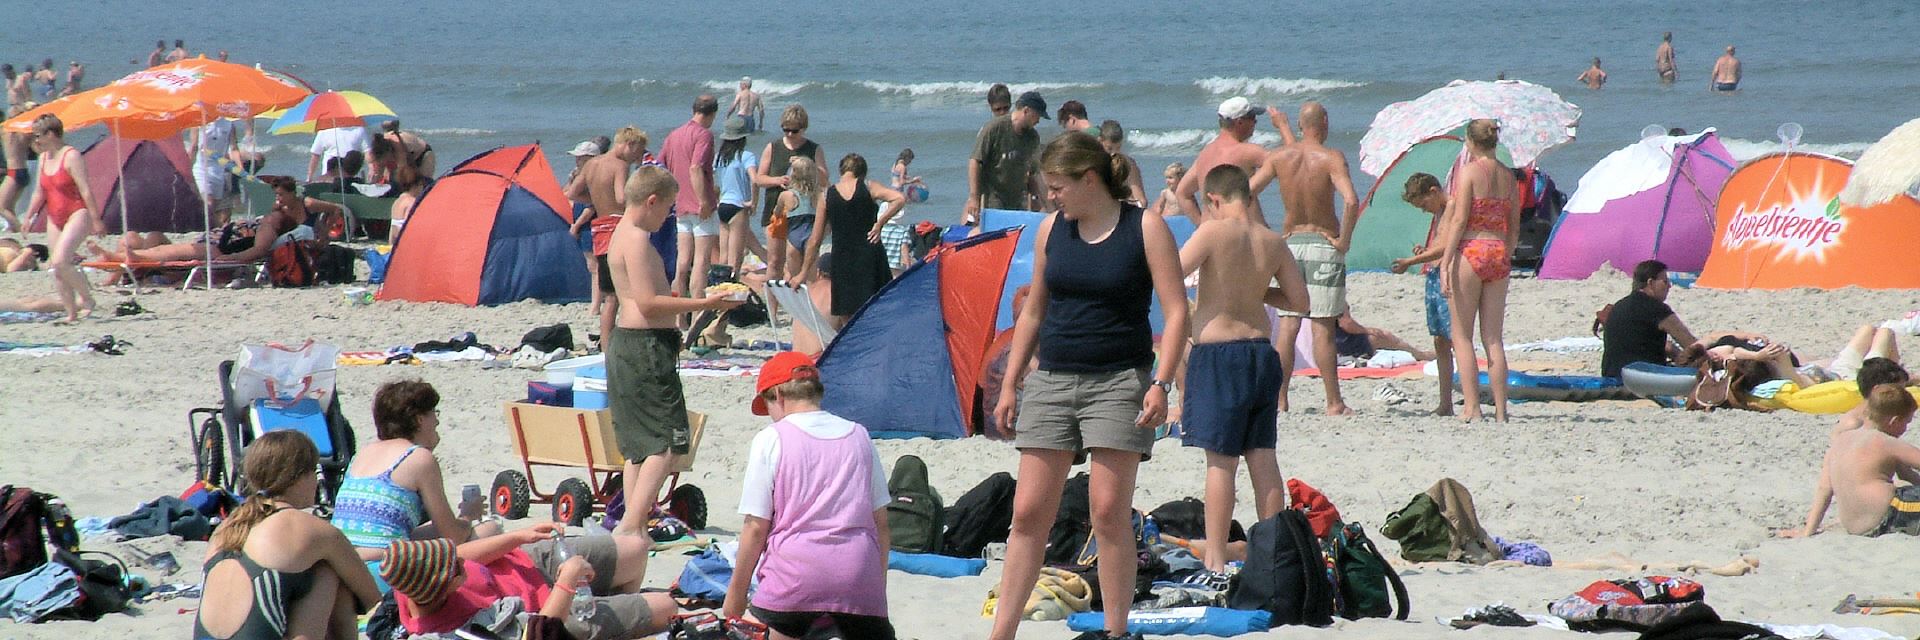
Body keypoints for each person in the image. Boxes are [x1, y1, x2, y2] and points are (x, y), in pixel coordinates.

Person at [988, 132, 1189, 640]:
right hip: (1052, 378)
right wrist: (1011, 382)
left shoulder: (1144, 227)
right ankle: (1001, 633)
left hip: (1120, 381)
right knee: (1029, 512)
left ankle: (1116, 631)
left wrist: (1162, 383)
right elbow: (1034, 308)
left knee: (1107, 511)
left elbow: (1176, 310)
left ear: (1090, 179)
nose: (1049, 196)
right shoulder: (1052, 229)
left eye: (1057, 187)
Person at [1176, 164, 1306, 572]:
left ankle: (1215, 556)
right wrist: (1254, 288)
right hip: (1261, 354)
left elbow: (1171, 271)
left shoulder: (1213, 232)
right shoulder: (1272, 241)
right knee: (1263, 457)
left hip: (1220, 356)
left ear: (1213, 199)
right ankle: (1271, 551)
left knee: (1221, 462)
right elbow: (1299, 300)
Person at [605, 166, 743, 539]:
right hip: (643, 347)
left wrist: (680, 304)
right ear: (651, 201)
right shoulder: (635, 239)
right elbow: (648, 304)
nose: (668, 216)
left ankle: (634, 522)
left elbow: (639, 298)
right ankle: (632, 525)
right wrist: (705, 302)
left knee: (639, 446)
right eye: (667, 208)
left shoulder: (622, 232)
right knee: (666, 444)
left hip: (632, 344)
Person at [722, 351, 897, 640]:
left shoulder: (772, 438)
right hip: (858, 577)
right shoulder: (859, 435)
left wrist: (735, 597)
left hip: (795, 579)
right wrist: (875, 590)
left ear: (778, 395)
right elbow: (881, 525)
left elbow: (755, 528)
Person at [194, 431, 380, 640]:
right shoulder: (310, 528)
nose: (316, 482)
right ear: (298, 477)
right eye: (313, 472)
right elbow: (371, 597)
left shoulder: (227, 525)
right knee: (327, 571)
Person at [1250, 101, 1359, 415]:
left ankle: (1281, 399)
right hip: (1323, 243)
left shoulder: (1279, 158)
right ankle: (1333, 402)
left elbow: (1245, 192)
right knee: (1322, 327)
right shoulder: (1331, 158)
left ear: (1300, 124)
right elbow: (1351, 201)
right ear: (1324, 121)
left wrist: (1264, 231)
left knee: (1288, 325)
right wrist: (1344, 241)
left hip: (1290, 243)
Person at [329, 379, 489, 588]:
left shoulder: (362, 455)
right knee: (488, 531)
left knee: (429, 529)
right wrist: (468, 515)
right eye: (434, 414)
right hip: (383, 570)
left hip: (342, 566)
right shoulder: (418, 458)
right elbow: (453, 536)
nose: (437, 422)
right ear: (419, 419)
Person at [383, 526, 676, 639]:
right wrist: (567, 582)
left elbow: (460, 555)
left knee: (636, 549)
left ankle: (619, 609)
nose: (464, 565)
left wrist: (518, 537)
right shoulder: (456, 631)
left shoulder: (410, 578)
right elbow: (537, 633)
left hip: (528, 563)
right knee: (667, 607)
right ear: (444, 587)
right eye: (457, 569)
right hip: (549, 614)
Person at [1434, 119, 1519, 422]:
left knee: (1462, 336)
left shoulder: (1468, 172)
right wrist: (1506, 254)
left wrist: (1445, 261)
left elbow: (1459, 220)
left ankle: (1472, 407)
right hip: (1497, 250)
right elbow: (1514, 225)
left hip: (1470, 249)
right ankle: (1500, 410)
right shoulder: (1509, 177)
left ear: (1470, 142)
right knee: (1493, 338)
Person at [87, 175, 339, 266]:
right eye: (276, 197)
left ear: (292, 195)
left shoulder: (275, 221)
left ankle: (124, 257)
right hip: (219, 238)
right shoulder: (275, 217)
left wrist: (225, 260)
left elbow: (258, 249)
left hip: (219, 247)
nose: (278, 201)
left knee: (167, 249)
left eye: (281, 196)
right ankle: (123, 258)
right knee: (154, 237)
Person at [1783, 384, 1920, 538]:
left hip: (1857, 527)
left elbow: (1824, 490)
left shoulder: (1840, 441)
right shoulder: (1884, 441)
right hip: (1888, 516)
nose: (1905, 428)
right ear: (1894, 421)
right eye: (1906, 423)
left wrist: (1808, 531)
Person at [797, 153, 906, 326]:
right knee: (879, 309)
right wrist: (879, 224)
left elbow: (814, 240)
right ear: (862, 173)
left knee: (847, 315)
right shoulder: (869, 187)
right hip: (870, 256)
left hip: (842, 260)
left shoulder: (826, 196)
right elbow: (899, 199)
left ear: (841, 171)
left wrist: (802, 273)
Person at [566, 126, 651, 346]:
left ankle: (605, 344)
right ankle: (616, 342)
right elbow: (621, 198)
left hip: (599, 228)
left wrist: (596, 199)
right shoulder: (620, 166)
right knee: (623, 290)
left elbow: (573, 193)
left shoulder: (592, 164)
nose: (636, 158)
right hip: (617, 227)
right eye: (637, 151)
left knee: (609, 294)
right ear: (628, 144)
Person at [1390, 172, 1458, 415]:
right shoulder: (1439, 210)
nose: (1423, 211)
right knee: (1440, 340)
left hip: (1447, 276)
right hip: (1435, 273)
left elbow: (1447, 244)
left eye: (1423, 205)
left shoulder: (1451, 206)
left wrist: (1412, 260)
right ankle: (1445, 402)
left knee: (1455, 338)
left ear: (1433, 191)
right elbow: (1438, 246)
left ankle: (1460, 399)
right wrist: (1425, 252)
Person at [25, 115, 97, 323]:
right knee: (56, 268)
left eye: (38, 135)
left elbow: (85, 189)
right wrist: (29, 216)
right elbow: (39, 191)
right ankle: (71, 313)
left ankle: (87, 299)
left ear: (50, 134)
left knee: (60, 260)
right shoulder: (43, 158)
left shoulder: (71, 155)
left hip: (77, 212)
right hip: (54, 216)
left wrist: (96, 219)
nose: (35, 140)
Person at [1175, 97, 1290, 219]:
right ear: (1239, 122)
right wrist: (1283, 126)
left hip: (1210, 232)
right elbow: (1292, 161)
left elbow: (1182, 193)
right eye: (1252, 118)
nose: (1255, 122)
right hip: (1240, 231)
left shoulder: (1205, 153)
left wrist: (1201, 224)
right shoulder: (1246, 151)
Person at [1723, 325, 1903, 399]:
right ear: (1772, 361)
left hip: (1837, 369)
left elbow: (1734, 352)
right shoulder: (1787, 375)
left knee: (1868, 329)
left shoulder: (1782, 369)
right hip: (1853, 377)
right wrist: (1769, 355)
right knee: (1886, 332)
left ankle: (1896, 373)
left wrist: (1756, 356)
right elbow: (1734, 353)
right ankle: (1898, 377)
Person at [664, 94, 721, 321]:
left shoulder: (674, 135)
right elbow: (696, 168)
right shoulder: (703, 135)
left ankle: (679, 317)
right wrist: (704, 201)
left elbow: (663, 164)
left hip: (680, 203)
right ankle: (697, 315)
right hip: (699, 205)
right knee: (700, 263)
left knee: (682, 261)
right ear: (713, 114)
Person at [1599, 259, 1706, 379]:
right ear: (1650, 283)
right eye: (1665, 281)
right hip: (1643, 379)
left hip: (1612, 375)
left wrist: (1677, 355)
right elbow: (1691, 345)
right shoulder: (1657, 309)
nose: (1669, 286)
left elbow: (1657, 345)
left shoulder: (1618, 306)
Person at [753, 105, 825, 279]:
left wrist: (806, 164)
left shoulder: (813, 149)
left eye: (794, 130)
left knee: (801, 262)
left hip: (804, 214)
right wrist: (778, 180)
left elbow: (823, 179)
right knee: (775, 261)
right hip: (776, 210)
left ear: (803, 128)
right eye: (786, 130)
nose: (790, 134)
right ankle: (772, 304)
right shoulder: (773, 147)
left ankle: (800, 299)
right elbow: (759, 179)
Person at [965, 90, 1046, 224]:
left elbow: (1032, 173)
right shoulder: (994, 128)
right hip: (993, 198)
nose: (1038, 121)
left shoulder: (1032, 137)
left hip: (1018, 200)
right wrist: (974, 197)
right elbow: (975, 161)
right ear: (1026, 111)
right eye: (1037, 116)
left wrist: (1036, 199)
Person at [713, 118, 764, 279]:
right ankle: (732, 293)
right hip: (738, 206)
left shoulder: (719, 157)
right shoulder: (746, 156)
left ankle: (718, 288)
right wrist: (753, 202)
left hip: (722, 205)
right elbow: (755, 180)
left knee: (724, 256)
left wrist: (717, 199)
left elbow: (714, 182)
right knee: (736, 258)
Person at [769, 156, 825, 284]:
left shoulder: (786, 195)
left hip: (793, 238)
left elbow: (776, 214)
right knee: (812, 282)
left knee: (796, 282)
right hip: (811, 240)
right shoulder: (819, 195)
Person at [190, 118, 241, 213]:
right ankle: (204, 225)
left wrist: (240, 168)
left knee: (215, 209)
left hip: (218, 170)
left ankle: (206, 226)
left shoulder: (229, 123)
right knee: (208, 203)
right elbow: (194, 146)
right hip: (201, 168)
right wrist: (186, 169)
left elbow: (234, 148)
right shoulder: (198, 120)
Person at [1096, 121, 1148, 206]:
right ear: (1100, 141)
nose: (1114, 153)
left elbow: (1141, 202)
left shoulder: (1128, 164)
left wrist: (1125, 202)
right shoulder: (1092, 163)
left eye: (1118, 148)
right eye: (1109, 148)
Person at [0, 122, 29, 230]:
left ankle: (20, 228)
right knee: (9, 206)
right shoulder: (24, 134)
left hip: (13, 171)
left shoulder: (6, 131)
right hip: (24, 170)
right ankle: (14, 228)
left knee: (1, 206)